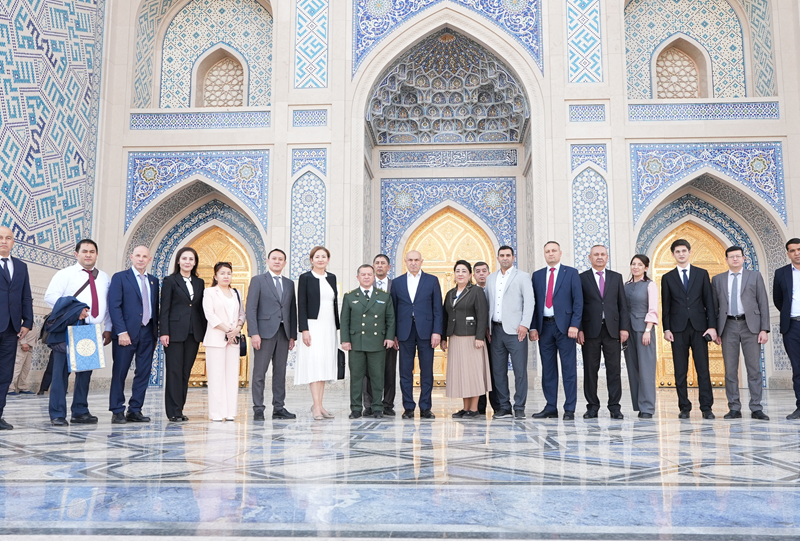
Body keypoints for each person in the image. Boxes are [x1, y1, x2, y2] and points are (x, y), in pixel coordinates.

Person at [44, 239, 112, 426]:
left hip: (90, 330)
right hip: (68, 328)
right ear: (76, 254)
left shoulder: (104, 277)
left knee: (84, 374)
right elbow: (51, 297)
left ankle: (80, 411)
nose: (88, 255)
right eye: (84, 251)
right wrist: (76, 310)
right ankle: (57, 413)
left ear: (96, 255)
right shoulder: (65, 274)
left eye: (92, 251)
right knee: (61, 373)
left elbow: (107, 305)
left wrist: (108, 327)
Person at [711, 246, 770, 420]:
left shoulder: (755, 276)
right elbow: (714, 307)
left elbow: (763, 303)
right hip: (728, 326)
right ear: (726, 260)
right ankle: (734, 407)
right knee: (730, 370)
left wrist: (764, 329)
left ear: (744, 258)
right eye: (731, 257)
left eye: (738, 256)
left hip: (750, 326)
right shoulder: (718, 279)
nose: (735, 259)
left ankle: (756, 407)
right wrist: (716, 330)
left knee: (754, 369)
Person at [661, 239, 717, 419]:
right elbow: (666, 306)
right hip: (677, 329)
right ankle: (684, 407)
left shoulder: (702, 274)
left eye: (684, 251)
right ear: (673, 254)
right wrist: (666, 329)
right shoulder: (667, 278)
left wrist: (712, 326)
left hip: (700, 328)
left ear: (689, 252)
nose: (681, 254)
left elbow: (709, 302)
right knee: (680, 371)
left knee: (703, 369)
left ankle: (706, 408)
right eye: (677, 251)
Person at [530, 241, 583, 420]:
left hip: (566, 328)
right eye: (547, 251)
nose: (550, 253)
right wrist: (533, 327)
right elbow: (534, 304)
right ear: (544, 254)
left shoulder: (571, 273)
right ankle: (550, 407)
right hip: (544, 328)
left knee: (569, 369)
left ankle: (569, 408)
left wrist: (575, 325)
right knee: (548, 369)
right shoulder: (537, 276)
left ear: (560, 253)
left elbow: (578, 301)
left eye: (554, 251)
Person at [107, 246, 160, 424]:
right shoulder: (120, 277)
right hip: (126, 333)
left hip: (147, 332)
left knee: (143, 373)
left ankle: (135, 410)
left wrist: (155, 333)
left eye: (144, 256)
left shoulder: (154, 281)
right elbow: (114, 306)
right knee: (120, 372)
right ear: (131, 257)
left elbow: (154, 308)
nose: (141, 259)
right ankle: (117, 410)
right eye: (138, 255)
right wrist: (121, 331)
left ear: (149, 259)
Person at [577, 245, 630, 420]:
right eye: (596, 254)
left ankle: (615, 407)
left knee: (614, 370)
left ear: (607, 257)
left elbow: (622, 306)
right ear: (589, 257)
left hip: (612, 331)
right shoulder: (582, 278)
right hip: (590, 331)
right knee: (590, 371)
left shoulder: (616, 277)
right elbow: (578, 305)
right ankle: (592, 407)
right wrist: (580, 329)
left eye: (602, 254)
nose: (599, 257)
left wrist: (624, 328)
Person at [391, 250, 443, 420]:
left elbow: (438, 308)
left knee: (427, 371)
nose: (413, 263)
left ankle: (426, 407)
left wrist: (437, 332)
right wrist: (394, 334)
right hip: (404, 332)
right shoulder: (397, 283)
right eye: (410, 260)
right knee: (405, 371)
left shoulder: (432, 280)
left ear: (421, 261)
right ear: (405, 262)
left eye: (416, 260)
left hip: (426, 332)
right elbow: (393, 311)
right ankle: (408, 408)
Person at [246, 248, 297, 421]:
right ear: (268, 261)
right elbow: (251, 308)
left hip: (283, 333)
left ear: (285, 263)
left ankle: (279, 408)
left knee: (280, 372)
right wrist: (254, 333)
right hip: (263, 333)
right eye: (274, 258)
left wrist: (292, 335)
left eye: (280, 259)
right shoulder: (258, 280)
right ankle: (258, 408)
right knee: (259, 373)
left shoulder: (289, 283)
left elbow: (292, 310)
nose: (277, 261)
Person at [159, 246, 207, 422]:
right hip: (174, 333)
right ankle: (172, 411)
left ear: (195, 263)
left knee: (185, 372)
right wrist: (164, 331)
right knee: (174, 371)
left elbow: (201, 310)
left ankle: (179, 409)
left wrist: (205, 333)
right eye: (184, 258)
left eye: (191, 259)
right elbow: (164, 308)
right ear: (178, 261)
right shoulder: (170, 281)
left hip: (193, 333)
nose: (188, 262)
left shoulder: (199, 282)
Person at [342, 264, 396, 419]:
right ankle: (356, 408)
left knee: (377, 376)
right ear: (358, 277)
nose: (366, 277)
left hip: (377, 342)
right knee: (356, 377)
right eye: (363, 274)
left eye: (369, 274)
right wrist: (345, 340)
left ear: (373, 277)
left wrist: (389, 337)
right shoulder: (350, 296)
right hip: (356, 342)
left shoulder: (384, 296)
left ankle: (377, 407)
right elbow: (344, 320)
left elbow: (390, 319)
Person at [485, 246, 534, 419]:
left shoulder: (522, 276)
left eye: (508, 255)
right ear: (497, 258)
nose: (505, 258)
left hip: (516, 331)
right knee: (498, 371)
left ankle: (519, 406)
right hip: (496, 330)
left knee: (520, 370)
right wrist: (486, 326)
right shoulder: (491, 278)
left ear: (513, 257)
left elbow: (529, 302)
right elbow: (487, 303)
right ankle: (504, 406)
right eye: (502, 255)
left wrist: (525, 325)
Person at [441, 260, 491, 419]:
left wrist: (479, 337)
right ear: (454, 274)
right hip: (455, 337)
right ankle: (466, 407)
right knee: (462, 373)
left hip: (472, 338)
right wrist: (444, 338)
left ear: (470, 275)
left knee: (473, 373)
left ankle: (474, 409)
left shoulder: (476, 291)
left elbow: (482, 315)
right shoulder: (450, 293)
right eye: (458, 271)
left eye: (464, 271)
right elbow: (445, 316)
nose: (460, 274)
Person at [296, 246, 339, 420]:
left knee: (324, 365)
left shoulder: (332, 277)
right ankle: (315, 406)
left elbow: (334, 303)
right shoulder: (305, 278)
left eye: (324, 256)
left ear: (328, 259)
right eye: (317, 256)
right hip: (313, 326)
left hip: (329, 326)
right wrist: (304, 329)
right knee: (314, 365)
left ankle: (320, 405)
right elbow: (301, 304)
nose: (320, 259)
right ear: (311, 260)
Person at [202, 262, 246, 422]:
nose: (226, 276)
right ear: (215, 276)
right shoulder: (209, 292)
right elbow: (210, 314)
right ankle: (216, 412)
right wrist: (228, 330)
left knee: (231, 376)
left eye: (228, 273)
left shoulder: (236, 293)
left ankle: (229, 412)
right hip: (216, 339)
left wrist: (237, 328)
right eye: (222, 273)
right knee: (216, 376)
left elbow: (242, 314)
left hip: (233, 339)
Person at [0, 226, 34, 430]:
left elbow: (26, 296)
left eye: (8, 238)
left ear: (13, 242)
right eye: (0, 237)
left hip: (11, 329)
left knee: (5, 374)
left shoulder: (21, 267)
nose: (4, 241)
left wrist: (27, 322)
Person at [363, 254, 398, 416]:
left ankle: (388, 404)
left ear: (389, 267)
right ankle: (369, 404)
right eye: (377, 263)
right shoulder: (367, 285)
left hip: (390, 336)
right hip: (370, 336)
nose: (379, 266)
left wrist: (395, 335)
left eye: (383, 263)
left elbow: (398, 312)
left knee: (389, 370)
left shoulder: (396, 286)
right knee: (368, 371)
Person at [624, 254, 659, 419]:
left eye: (639, 264)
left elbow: (653, 309)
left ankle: (648, 407)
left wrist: (648, 330)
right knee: (633, 368)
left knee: (646, 369)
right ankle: (639, 405)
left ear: (646, 267)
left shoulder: (650, 285)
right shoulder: (626, 285)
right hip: (628, 331)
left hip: (644, 330)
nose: (635, 267)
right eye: (633, 264)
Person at [772, 237, 800, 420]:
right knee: (797, 369)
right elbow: (778, 300)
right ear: (788, 254)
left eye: (799, 249)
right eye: (792, 250)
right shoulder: (781, 273)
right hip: (792, 327)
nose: (797, 253)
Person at [474, 261, 499, 415]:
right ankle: (479, 406)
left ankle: (498, 405)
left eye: (484, 271)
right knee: (479, 371)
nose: (481, 274)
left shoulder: (496, 290)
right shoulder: (471, 292)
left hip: (494, 336)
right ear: (474, 275)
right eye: (478, 271)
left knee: (495, 370)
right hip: (477, 337)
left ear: (489, 273)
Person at [10, 325, 38, 395]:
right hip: (22, 345)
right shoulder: (22, 318)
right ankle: (9, 388)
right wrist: (23, 342)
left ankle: (22, 387)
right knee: (17, 367)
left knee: (25, 368)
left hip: (29, 345)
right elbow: (18, 329)